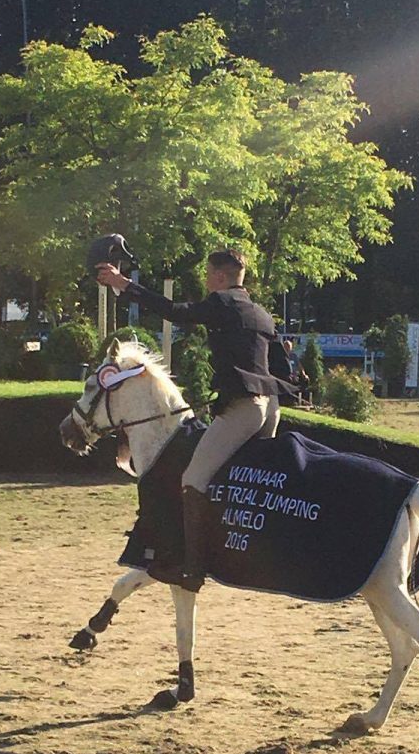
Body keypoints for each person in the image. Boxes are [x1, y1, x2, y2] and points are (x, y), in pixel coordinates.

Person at [95, 247, 285, 591]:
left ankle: (192, 569)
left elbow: (173, 311)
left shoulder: (221, 303)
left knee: (193, 480)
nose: (206, 282)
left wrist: (124, 284)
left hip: (244, 410)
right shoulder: (261, 314)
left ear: (220, 277)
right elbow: (280, 369)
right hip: (270, 409)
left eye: (209, 276)